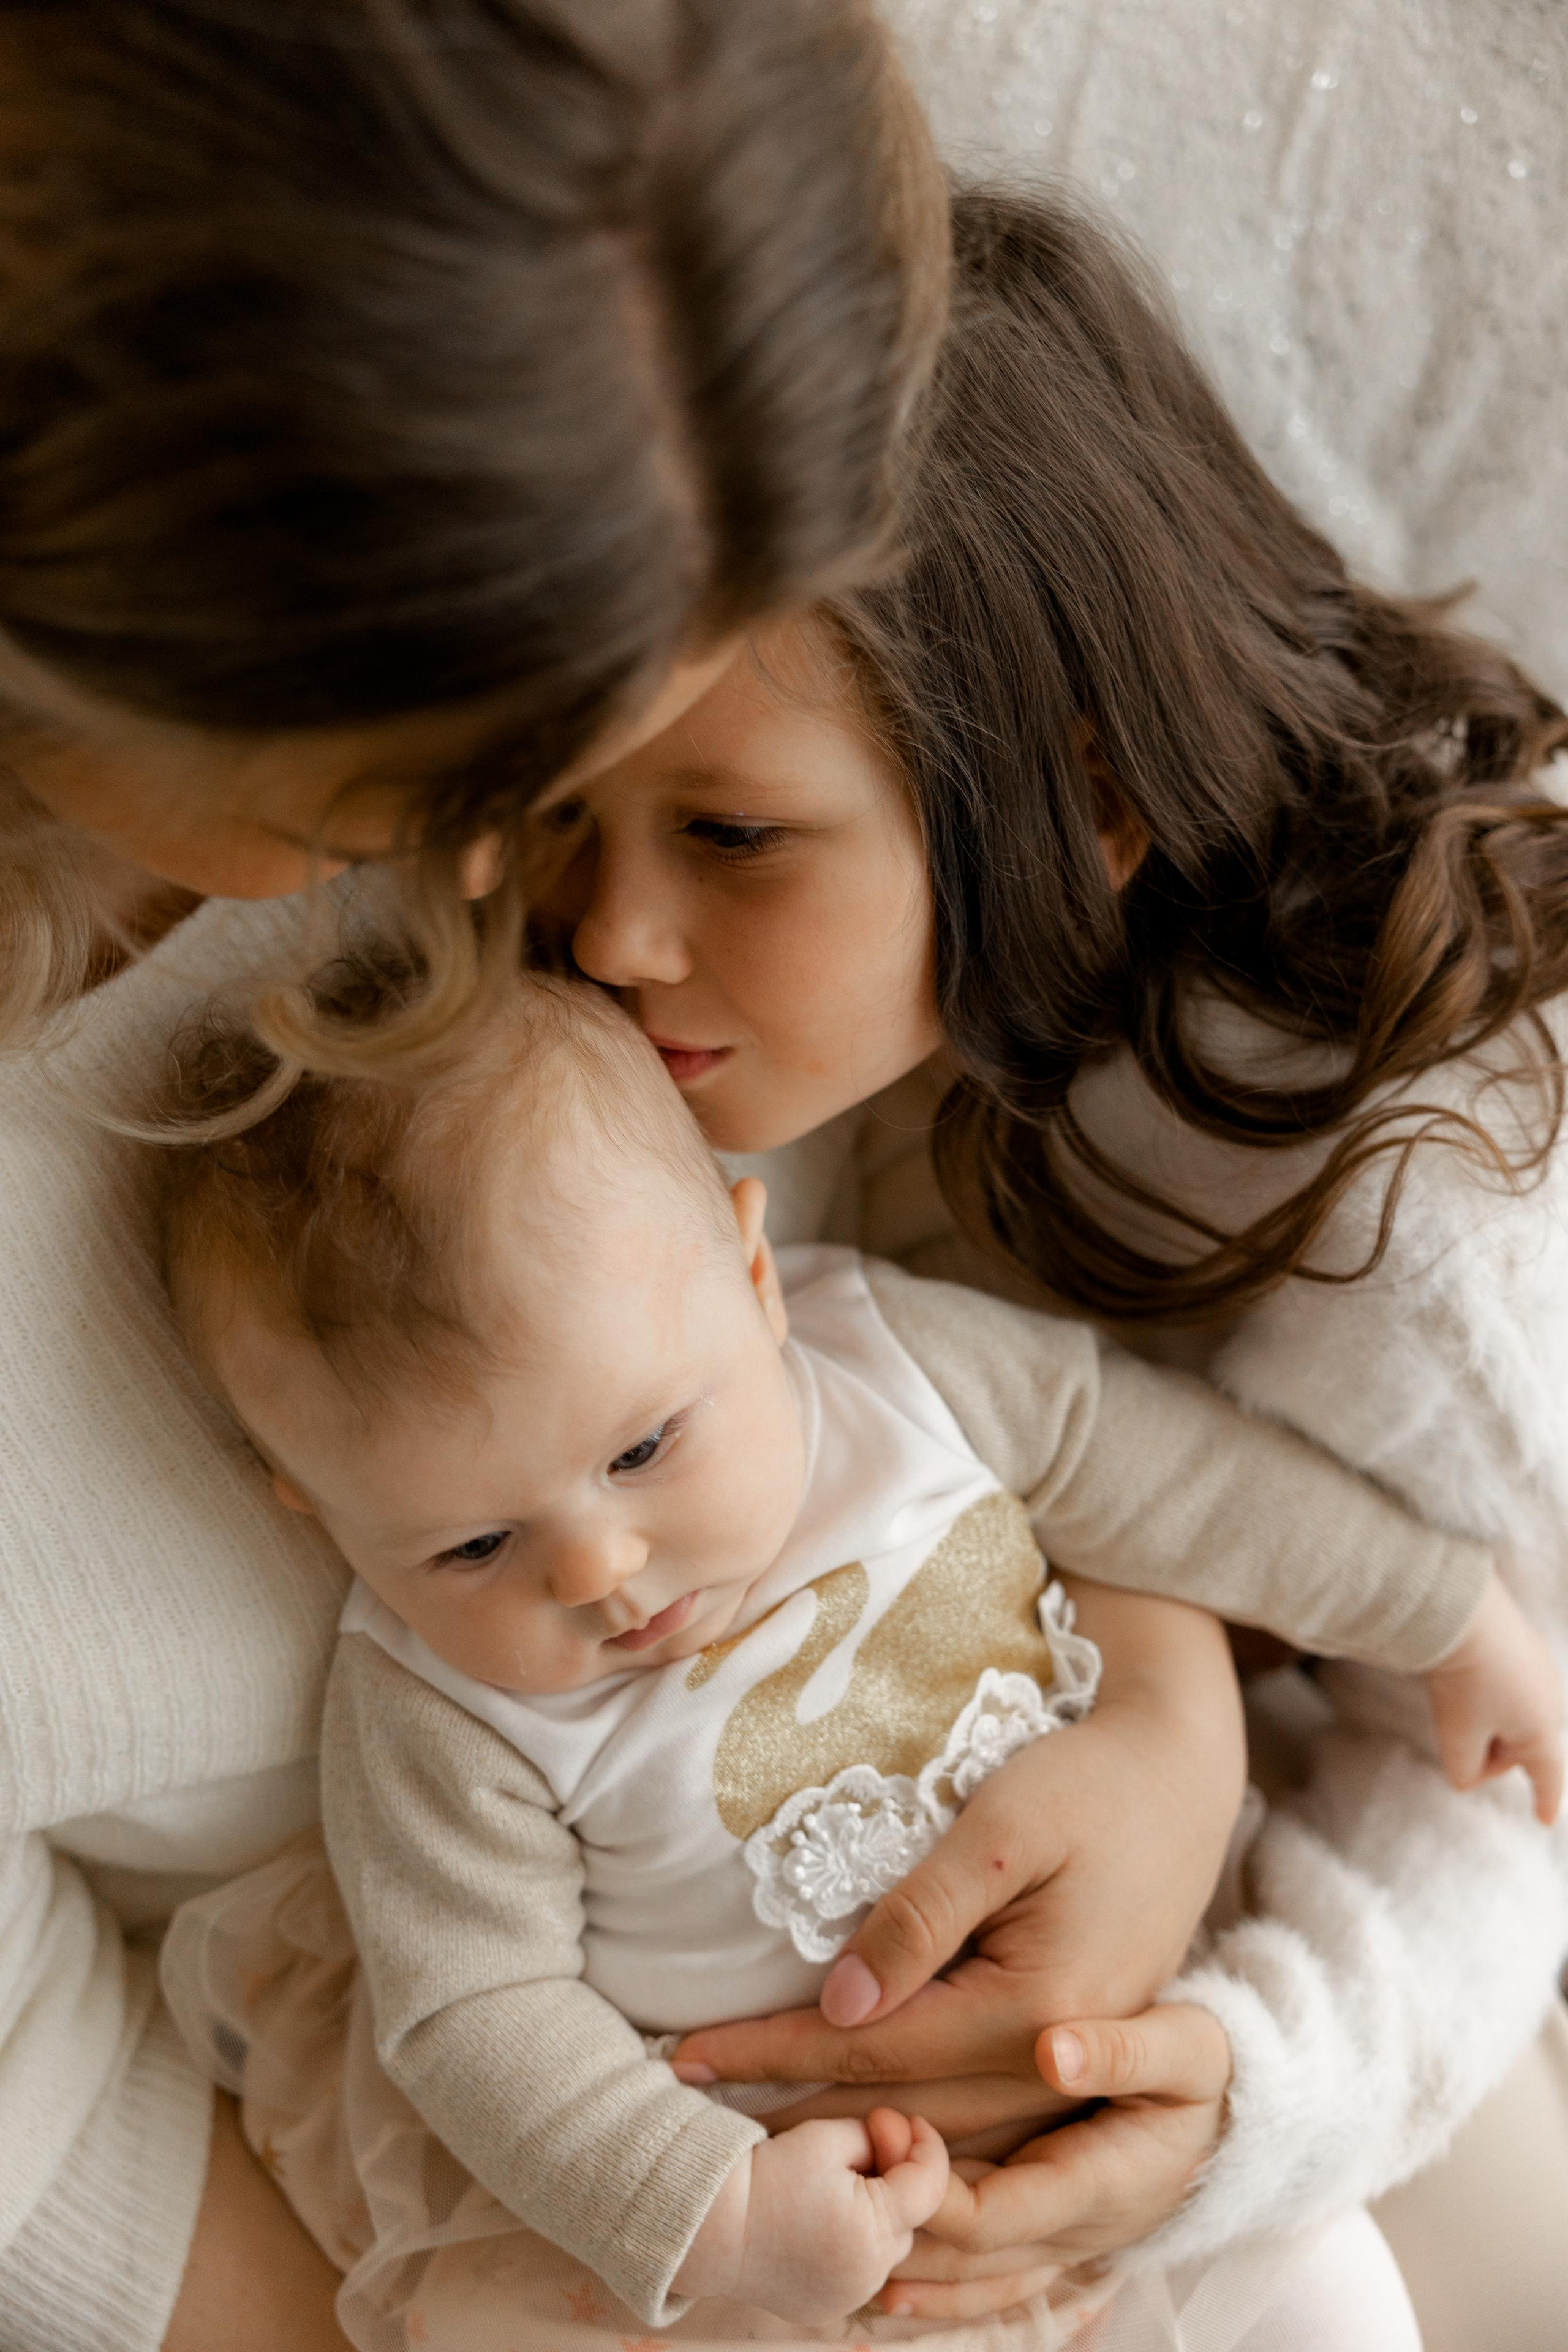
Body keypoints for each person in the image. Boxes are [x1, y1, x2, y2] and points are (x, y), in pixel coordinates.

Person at [532, 183, 1568, 2331]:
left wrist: (1246, 2091)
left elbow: (1508, 1752)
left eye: (728, 835)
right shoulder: (969, 992)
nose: (605, 937)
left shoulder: (1401, 1215)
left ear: (1083, 798)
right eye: (564, 812)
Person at [0, 6, 948, 2348]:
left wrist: (1147, 1726)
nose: (592, 926)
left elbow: (951, 1283)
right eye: (435, 799)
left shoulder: (675, 422)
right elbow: (59, 2159)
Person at [153, 960, 1550, 2351]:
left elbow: (1185, 1483)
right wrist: (717, 2211)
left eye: (642, 1449)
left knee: (1342, 2313)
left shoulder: (895, 1366)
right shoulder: (431, 1704)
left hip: (1150, 2089)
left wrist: (1437, 1612)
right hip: (805, 2240)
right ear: (322, 1517)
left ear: (755, 1280)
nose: (595, 1572)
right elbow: (471, 2009)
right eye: (469, 1549)